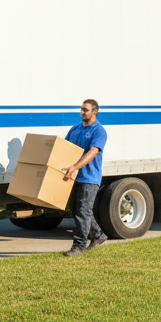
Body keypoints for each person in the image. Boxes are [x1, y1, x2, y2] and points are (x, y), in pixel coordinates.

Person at [62, 98, 108, 257]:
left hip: (89, 177)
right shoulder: (75, 130)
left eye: (85, 110)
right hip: (75, 177)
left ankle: (79, 245)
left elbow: (93, 151)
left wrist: (75, 166)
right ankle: (98, 235)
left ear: (94, 112)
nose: (82, 112)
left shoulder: (99, 130)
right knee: (75, 210)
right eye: (81, 109)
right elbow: (64, 149)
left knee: (83, 211)